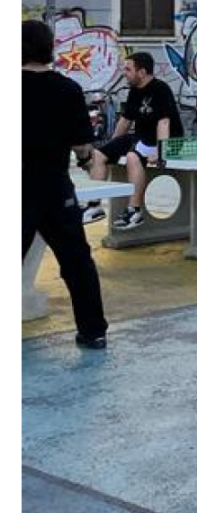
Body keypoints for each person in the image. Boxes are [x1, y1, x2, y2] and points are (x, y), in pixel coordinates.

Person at [25, 20, 109, 348]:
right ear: (50, 48)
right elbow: (82, 149)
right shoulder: (68, 89)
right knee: (77, 263)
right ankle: (94, 331)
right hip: (54, 188)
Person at [91, 50, 180, 229]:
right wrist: (112, 145)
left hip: (165, 140)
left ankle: (135, 211)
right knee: (98, 154)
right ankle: (94, 206)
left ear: (142, 72)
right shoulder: (133, 91)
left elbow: (164, 122)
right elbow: (125, 120)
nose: (124, 73)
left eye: (128, 69)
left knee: (133, 157)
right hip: (140, 137)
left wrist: (161, 151)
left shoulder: (161, 89)